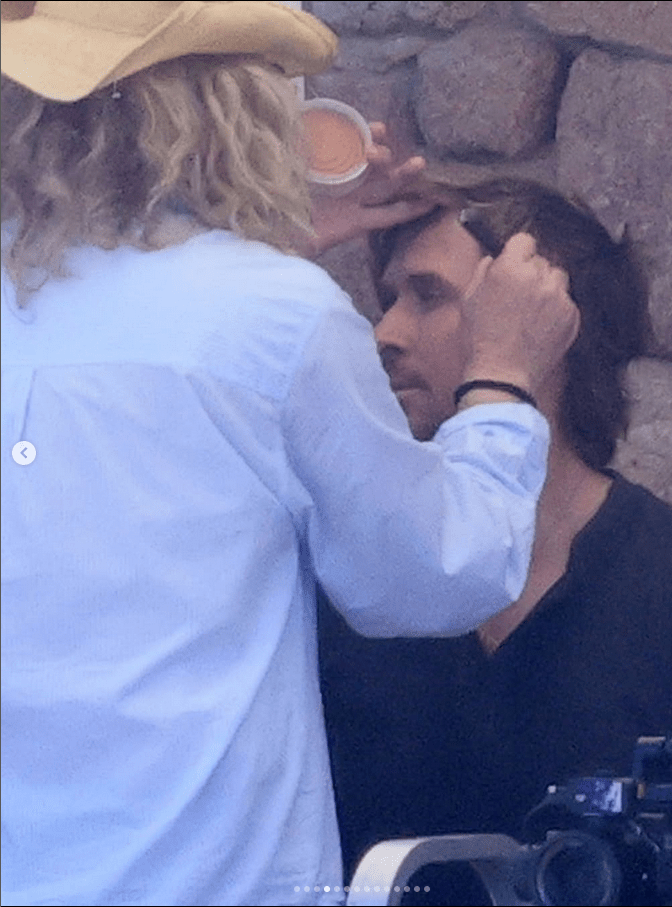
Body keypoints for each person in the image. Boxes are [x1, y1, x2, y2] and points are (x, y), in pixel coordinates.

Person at [0, 4, 581, 906]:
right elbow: (430, 573)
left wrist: (257, 242)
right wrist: (502, 376)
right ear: (227, 106)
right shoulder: (272, 315)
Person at [318, 178, 672, 900]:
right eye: (388, 301)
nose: (386, 333)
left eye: (428, 295)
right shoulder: (353, 575)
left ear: (546, 321)